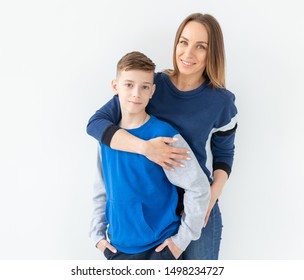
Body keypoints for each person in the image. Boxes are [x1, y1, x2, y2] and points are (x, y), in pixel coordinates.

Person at [87, 13, 238, 260]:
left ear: (213, 53)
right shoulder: (148, 86)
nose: (188, 53)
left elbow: (224, 154)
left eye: (201, 47)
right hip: (152, 212)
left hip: (198, 207)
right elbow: (96, 125)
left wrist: (212, 194)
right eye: (184, 42)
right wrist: (146, 148)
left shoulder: (221, 102)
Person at [89, 51, 210, 260]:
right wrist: (97, 236)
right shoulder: (108, 138)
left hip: (160, 249)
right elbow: (102, 188)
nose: (136, 93)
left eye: (144, 86)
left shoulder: (165, 136)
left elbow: (198, 187)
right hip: (118, 249)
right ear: (115, 87)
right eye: (128, 85)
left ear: (152, 91)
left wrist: (180, 242)